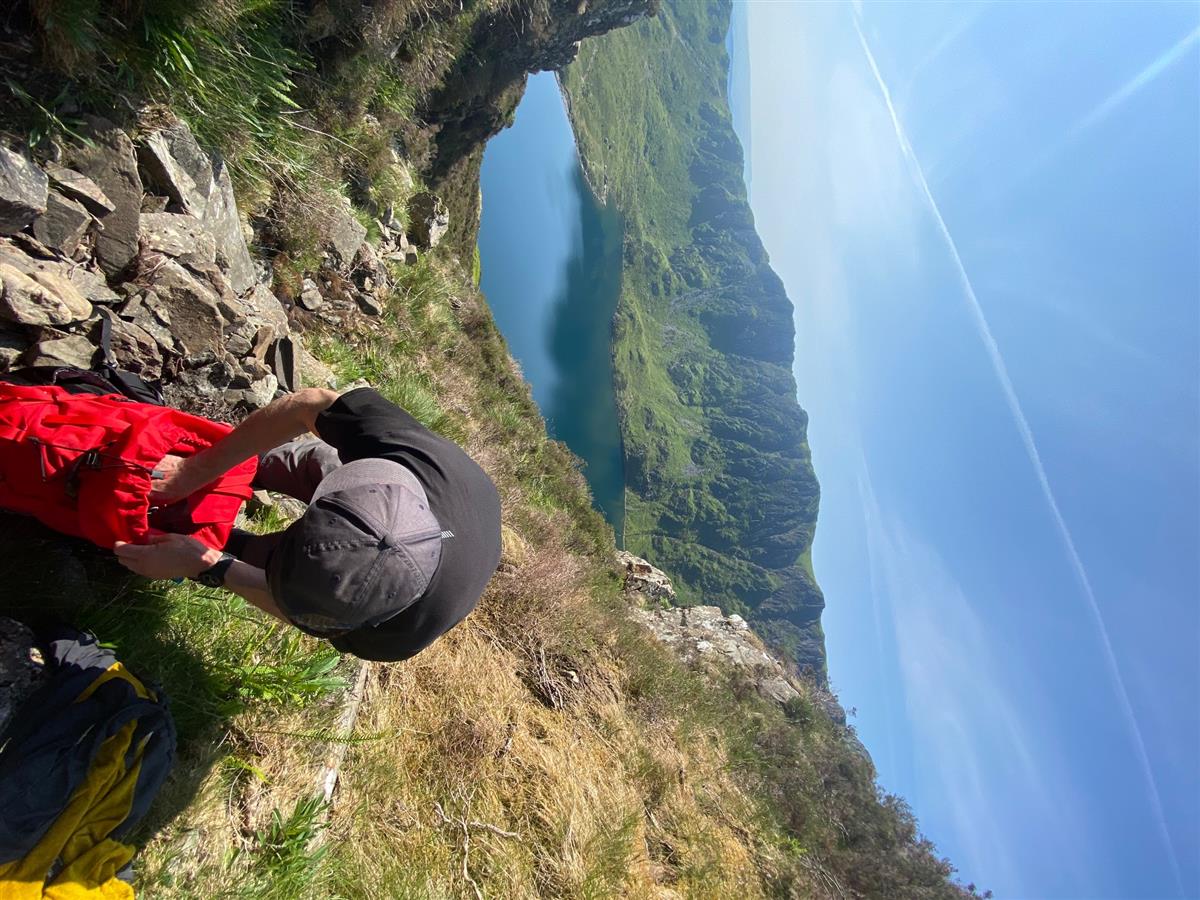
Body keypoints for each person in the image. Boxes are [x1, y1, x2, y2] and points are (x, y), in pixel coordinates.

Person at [114, 387, 502, 662]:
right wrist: (195, 470)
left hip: (420, 550)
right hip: (446, 483)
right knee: (312, 465)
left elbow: (299, 610)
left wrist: (213, 565)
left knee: (290, 575)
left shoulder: (395, 636)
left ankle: (220, 540)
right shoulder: (402, 447)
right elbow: (311, 404)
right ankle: (244, 472)